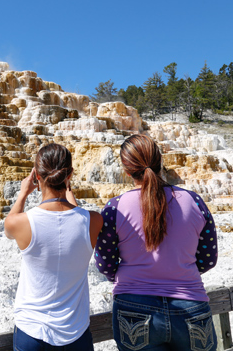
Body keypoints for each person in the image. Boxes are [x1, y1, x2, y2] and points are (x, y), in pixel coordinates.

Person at [95, 134, 218, 351]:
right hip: (190, 304)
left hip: (134, 307)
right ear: (161, 162)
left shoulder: (115, 208)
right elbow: (208, 259)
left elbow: (105, 264)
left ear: (126, 170)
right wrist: (179, 269)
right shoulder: (194, 201)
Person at [4, 143, 103, 351]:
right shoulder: (94, 221)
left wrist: (23, 193)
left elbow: (9, 224)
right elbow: (76, 217)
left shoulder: (20, 223)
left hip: (32, 331)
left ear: (37, 177)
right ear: (70, 175)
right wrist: (69, 194)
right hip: (76, 332)